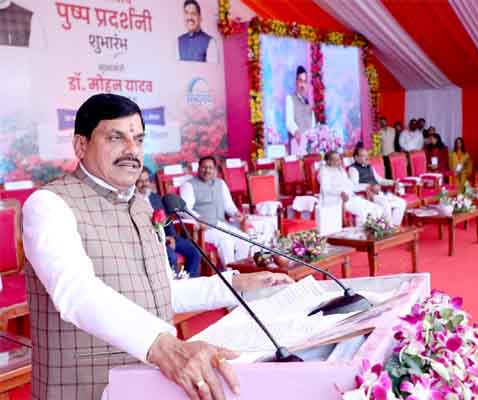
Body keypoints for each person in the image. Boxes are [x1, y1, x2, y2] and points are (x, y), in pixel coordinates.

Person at [21, 93, 293, 398]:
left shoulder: (143, 207)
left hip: (151, 387)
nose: (132, 150)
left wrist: (237, 285)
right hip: (86, 388)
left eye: (138, 139)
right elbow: (75, 292)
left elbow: (162, 293)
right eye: (116, 137)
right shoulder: (50, 204)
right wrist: (164, 347)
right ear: (80, 145)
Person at [179, 156, 253, 265]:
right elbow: (184, 209)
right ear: (198, 168)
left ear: (214, 170)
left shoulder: (220, 183)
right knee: (226, 241)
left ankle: (239, 269)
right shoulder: (188, 185)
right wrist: (198, 218)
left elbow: (228, 205)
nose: (207, 170)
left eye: (210, 168)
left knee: (244, 239)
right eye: (204, 167)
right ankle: (229, 272)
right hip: (205, 228)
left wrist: (235, 213)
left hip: (222, 224)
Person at [137, 167, 201, 278]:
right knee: (171, 256)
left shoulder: (155, 198)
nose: (144, 184)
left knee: (195, 252)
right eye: (140, 181)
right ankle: (173, 286)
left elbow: (168, 221)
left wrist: (171, 237)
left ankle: (189, 282)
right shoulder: (133, 202)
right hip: (152, 241)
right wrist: (162, 239)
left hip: (167, 237)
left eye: (146, 180)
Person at [319, 151, 388, 228]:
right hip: (337, 199)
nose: (339, 162)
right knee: (363, 212)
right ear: (328, 161)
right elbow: (325, 189)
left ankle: (375, 230)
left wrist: (367, 186)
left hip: (350, 196)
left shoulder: (340, 169)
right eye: (336, 160)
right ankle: (363, 232)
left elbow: (350, 185)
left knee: (376, 208)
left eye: (339, 159)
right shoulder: (324, 171)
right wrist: (340, 193)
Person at [347, 149, 406, 227]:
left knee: (401, 202)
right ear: (356, 157)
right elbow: (354, 186)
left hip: (380, 193)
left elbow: (380, 180)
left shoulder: (369, 166)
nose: (367, 158)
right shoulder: (353, 169)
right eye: (363, 156)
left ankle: (395, 226)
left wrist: (393, 182)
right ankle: (388, 228)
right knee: (385, 204)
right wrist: (369, 186)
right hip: (368, 195)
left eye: (367, 155)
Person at [284, 65, 315, 156]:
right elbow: (289, 122)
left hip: (310, 145)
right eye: (300, 81)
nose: (302, 85)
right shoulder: (290, 98)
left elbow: (313, 124)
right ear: (296, 82)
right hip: (297, 144)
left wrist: (313, 136)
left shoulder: (309, 102)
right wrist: (296, 131)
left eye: (305, 82)